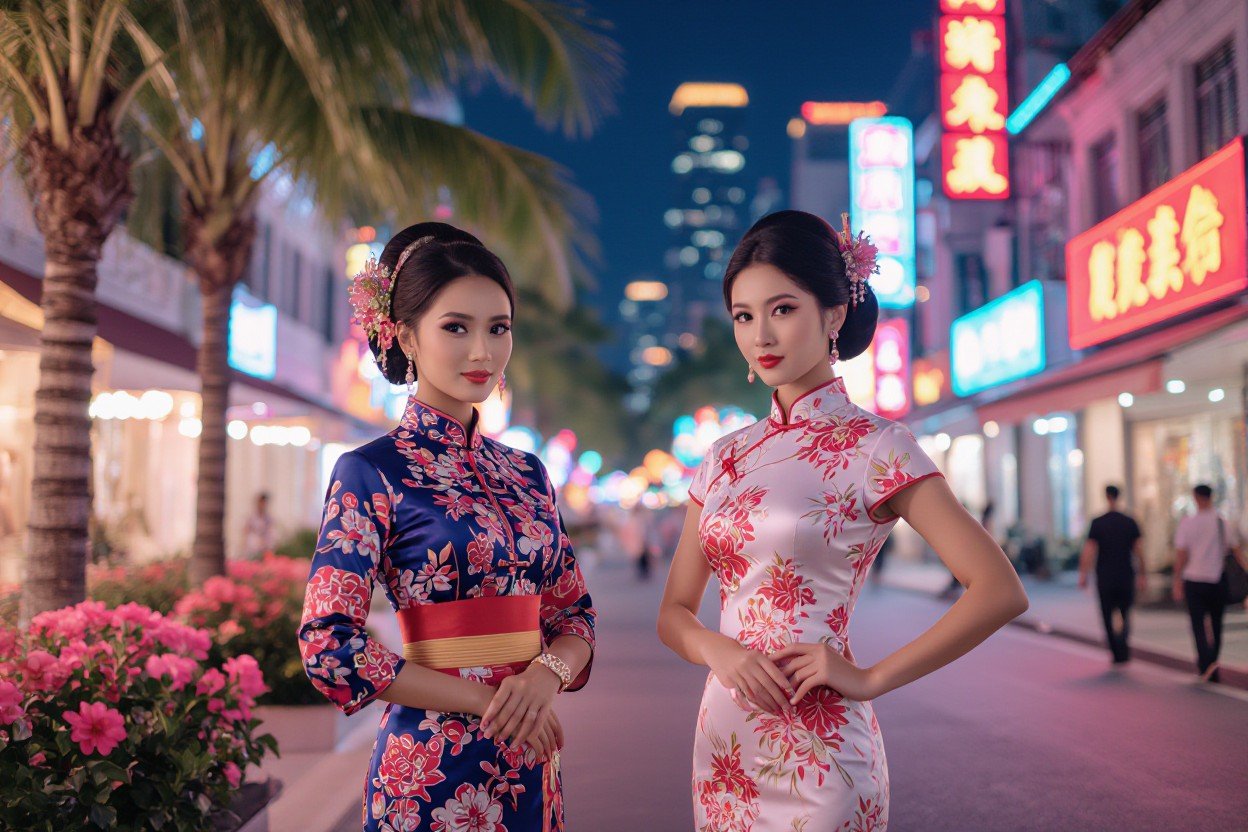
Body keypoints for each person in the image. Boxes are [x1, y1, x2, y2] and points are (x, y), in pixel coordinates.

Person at [657, 211, 1029, 829]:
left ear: (833, 315)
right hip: (724, 747)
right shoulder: (723, 457)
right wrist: (718, 650)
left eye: (782, 309)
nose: (760, 335)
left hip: (822, 752)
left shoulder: (877, 447)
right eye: (744, 316)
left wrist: (870, 677)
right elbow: (674, 612)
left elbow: (999, 590)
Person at [298, 223, 595, 831]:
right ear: (406, 334)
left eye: (498, 328)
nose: (481, 351)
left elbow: (576, 617)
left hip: (531, 762)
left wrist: (545, 675)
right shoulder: (370, 471)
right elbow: (329, 645)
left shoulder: (528, 474)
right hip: (427, 770)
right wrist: (487, 700)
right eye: (455, 327)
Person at [1172, 484, 1247, 683]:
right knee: (1216, 624)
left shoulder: (1188, 523)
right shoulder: (1222, 522)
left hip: (1194, 580)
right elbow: (1236, 551)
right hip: (1216, 579)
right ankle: (1213, 662)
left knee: (1197, 624)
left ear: (1196, 497)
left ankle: (1204, 664)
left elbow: (1181, 555)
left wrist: (1177, 581)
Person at [1078, 485, 1145, 664]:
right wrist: (1142, 574)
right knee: (1125, 612)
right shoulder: (1130, 521)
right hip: (1125, 574)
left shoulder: (1098, 522)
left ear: (1106, 496)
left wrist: (1083, 574)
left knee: (1107, 613)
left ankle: (1115, 651)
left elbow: (1089, 549)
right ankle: (1123, 645)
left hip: (1105, 575)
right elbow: (1139, 550)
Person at [238, 492, 275, 560]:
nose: (263, 505)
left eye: (264, 503)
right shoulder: (251, 516)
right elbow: (246, 530)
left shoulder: (268, 518)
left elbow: (270, 532)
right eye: (261, 502)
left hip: (264, 545)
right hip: (253, 545)